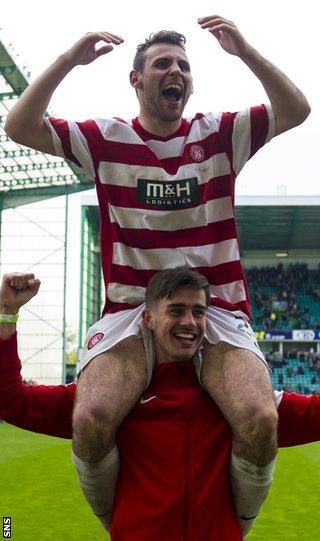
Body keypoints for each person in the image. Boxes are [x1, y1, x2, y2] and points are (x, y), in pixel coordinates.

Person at [4, 15, 311, 534]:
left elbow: (297, 109)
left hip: (218, 314)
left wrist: (247, 53)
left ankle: (238, 524)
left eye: (185, 65)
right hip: (129, 315)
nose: (177, 72)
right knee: (90, 419)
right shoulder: (105, 138)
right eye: (163, 64)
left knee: (260, 421)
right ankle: (113, 522)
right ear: (136, 79)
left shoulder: (220, 133)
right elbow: (18, 126)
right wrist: (68, 62)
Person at [1, 272, 320, 541]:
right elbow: (12, 402)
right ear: (148, 318)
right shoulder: (110, 397)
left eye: (199, 311)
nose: (190, 322)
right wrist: (6, 314)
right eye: (177, 310)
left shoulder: (236, 399)